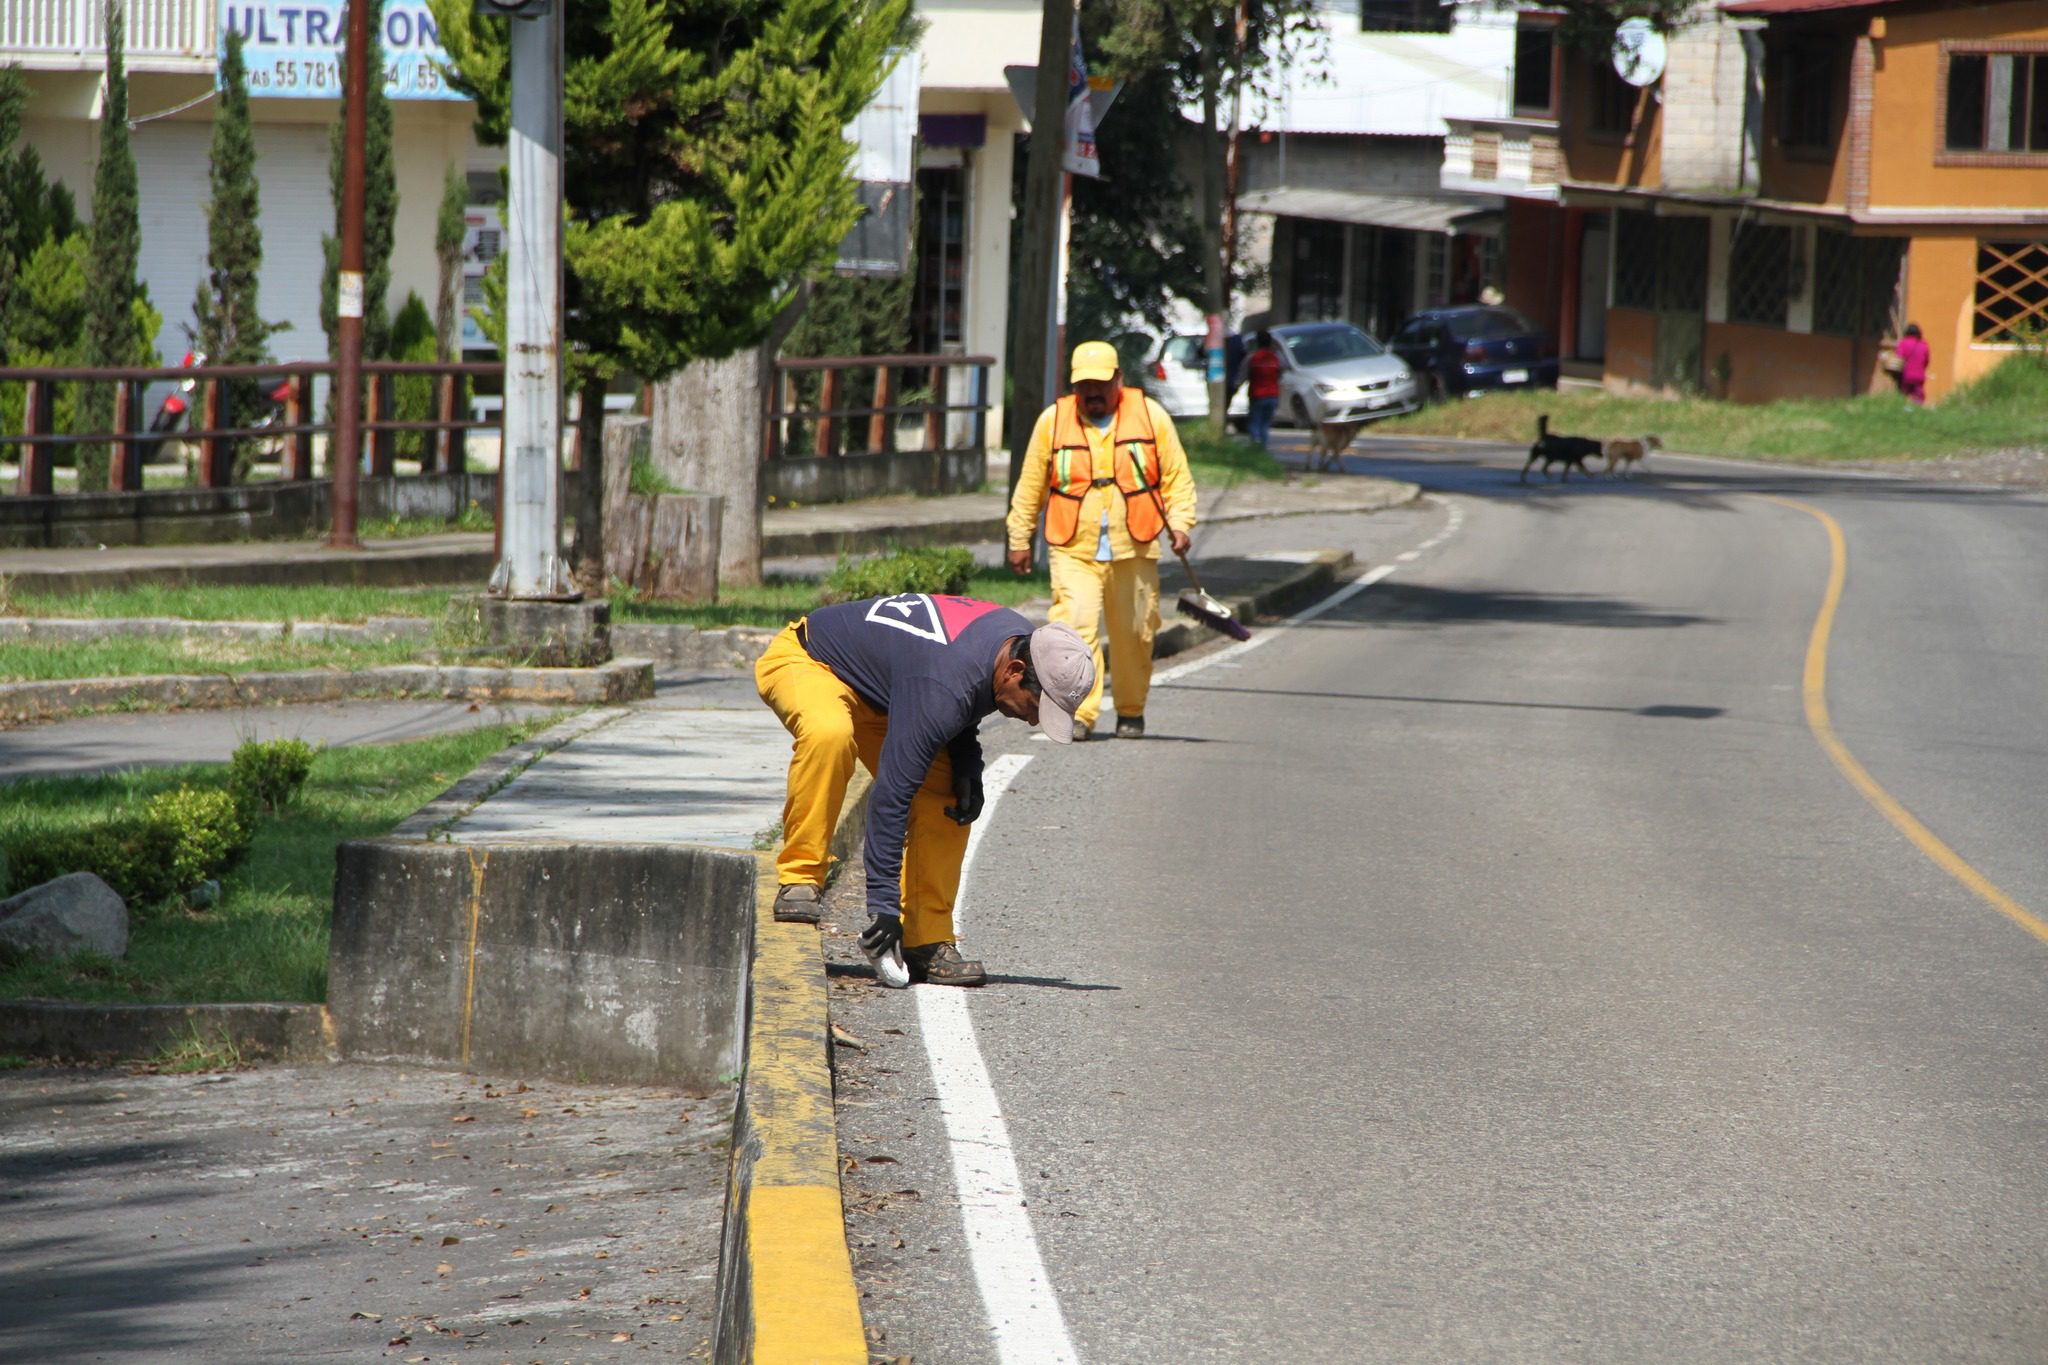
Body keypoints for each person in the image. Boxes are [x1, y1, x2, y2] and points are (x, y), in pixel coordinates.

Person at [756, 594, 1094, 987]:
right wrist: (882, 908)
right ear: (1015, 669)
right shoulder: (945, 682)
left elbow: (965, 699)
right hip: (812, 661)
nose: (1035, 719)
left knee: (949, 794)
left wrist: (968, 765)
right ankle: (801, 878)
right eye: (1036, 705)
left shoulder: (1015, 645)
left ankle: (927, 940)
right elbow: (892, 795)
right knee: (829, 734)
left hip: (892, 694)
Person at [1006, 339, 1199, 741]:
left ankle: (1130, 711)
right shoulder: (1054, 421)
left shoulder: (1150, 416)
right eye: (1083, 385)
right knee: (1073, 628)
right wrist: (1019, 537)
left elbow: (1177, 478)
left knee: (1133, 634)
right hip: (1074, 545)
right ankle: (1079, 713)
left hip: (1135, 545)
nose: (1092, 393)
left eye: (1101, 384)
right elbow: (1030, 485)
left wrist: (1181, 524)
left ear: (1119, 379)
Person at [1244, 330, 1282, 451]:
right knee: (1265, 425)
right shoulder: (1275, 358)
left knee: (1254, 423)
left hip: (1257, 395)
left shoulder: (1252, 358)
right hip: (1272, 395)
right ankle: (1263, 449)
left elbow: (1243, 374)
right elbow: (1284, 370)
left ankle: (1255, 445)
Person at [1896, 322, 1931, 406]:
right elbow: (1926, 361)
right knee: (1918, 398)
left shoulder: (1903, 343)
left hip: (1906, 376)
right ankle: (1917, 411)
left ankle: (1902, 410)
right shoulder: (1924, 345)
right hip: (1919, 376)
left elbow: (1898, 358)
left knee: (1903, 396)